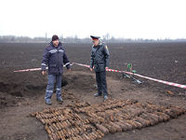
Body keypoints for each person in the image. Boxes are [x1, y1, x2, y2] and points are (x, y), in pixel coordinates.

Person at [41, 35, 71, 105]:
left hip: (59, 70)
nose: (57, 41)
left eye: (57, 40)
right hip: (52, 70)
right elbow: (45, 59)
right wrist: (43, 68)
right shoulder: (48, 48)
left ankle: (59, 97)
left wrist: (68, 66)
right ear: (52, 41)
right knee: (50, 85)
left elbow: (65, 58)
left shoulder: (61, 48)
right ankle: (47, 98)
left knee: (58, 85)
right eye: (55, 40)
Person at [90, 35, 110, 101]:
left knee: (103, 81)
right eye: (93, 41)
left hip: (102, 67)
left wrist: (106, 65)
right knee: (98, 80)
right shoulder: (93, 47)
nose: (94, 43)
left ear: (98, 40)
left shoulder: (103, 46)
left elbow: (107, 56)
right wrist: (91, 65)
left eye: (95, 41)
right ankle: (99, 92)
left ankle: (105, 94)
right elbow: (92, 57)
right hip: (96, 67)